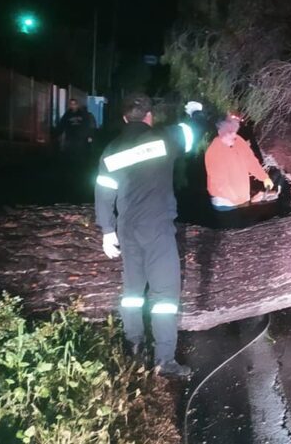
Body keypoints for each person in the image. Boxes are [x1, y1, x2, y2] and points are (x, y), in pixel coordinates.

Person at [94, 94, 192, 377]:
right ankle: (164, 360)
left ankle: (134, 347)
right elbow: (190, 136)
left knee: (133, 293)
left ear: (125, 119)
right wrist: (192, 114)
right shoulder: (163, 139)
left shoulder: (111, 151)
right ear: (149, 116)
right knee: (163, 294)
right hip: (157, 228)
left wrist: (106, 230)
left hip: (127, 229)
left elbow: (103, 192)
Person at [204, 115, 274, 213]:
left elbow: (251, 161)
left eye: (235, 132)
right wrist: (240, 202)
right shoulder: (214, 151)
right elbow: (221, 183)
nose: (234, 135)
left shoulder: (238, 140)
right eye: (230, 133)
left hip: (242, 199)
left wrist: (264, 177)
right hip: (225, 204)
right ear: (221, 133)